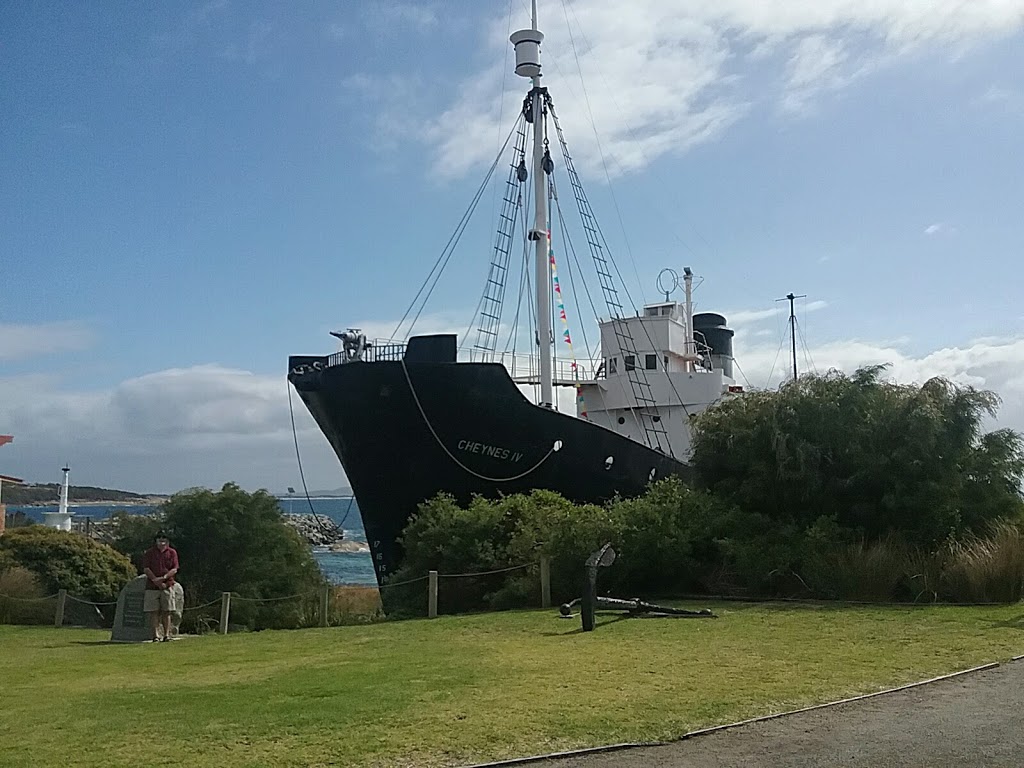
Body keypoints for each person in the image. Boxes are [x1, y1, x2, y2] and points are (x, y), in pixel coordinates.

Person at [142, 530, 180, 642]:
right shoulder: (149, 553)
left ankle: (166, 635)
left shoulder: (172, 553)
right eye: (159, 539)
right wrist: (155, 580)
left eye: (163, 539)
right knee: (153, 611)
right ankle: (156, 635)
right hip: (152, 586)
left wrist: (163, 578)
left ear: (167, 541)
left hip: (167, 585)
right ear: (156, 541)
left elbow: (174, 568)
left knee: (167, 611)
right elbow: (146, 568)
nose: (161, 541)